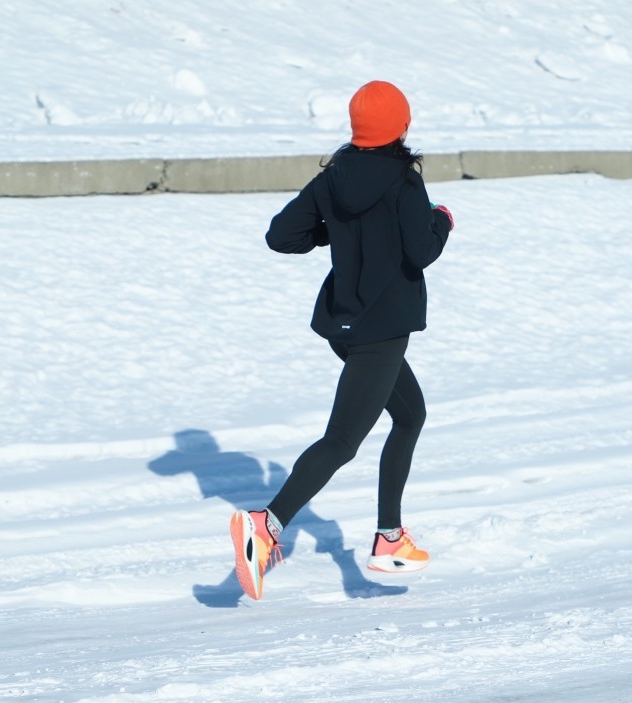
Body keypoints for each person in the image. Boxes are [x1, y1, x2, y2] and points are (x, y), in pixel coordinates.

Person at [230, 80, 454, 601]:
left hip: (345, 326)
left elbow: (281, 235)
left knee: (410, 415)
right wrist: (441, 222)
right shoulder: (403, 180)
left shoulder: (333, 178)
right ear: (402, 126)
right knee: (341, 442)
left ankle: (390, 536)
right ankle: (268, 524)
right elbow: (420, 252)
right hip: (380, 333)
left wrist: (337, 228)